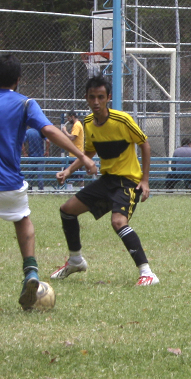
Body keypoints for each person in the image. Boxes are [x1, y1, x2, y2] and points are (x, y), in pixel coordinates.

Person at [0, 54, 94, 319]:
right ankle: (31, 272)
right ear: (18, 79)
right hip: (9, 185)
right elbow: (49, 131)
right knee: (22, 219)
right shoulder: (25, 103)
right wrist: (80, 156)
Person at [50, 74, 158, 286]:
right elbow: (89, 152)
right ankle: (75, 260)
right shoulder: (88, 122)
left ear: (108, 97)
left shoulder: (122, 120)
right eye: (92, 97)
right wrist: (69, 171)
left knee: (118, 222)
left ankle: (147, 273)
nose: (96, 102)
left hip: (128, 181)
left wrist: (145, 180)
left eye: (101, 97)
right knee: (67, 210)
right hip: (107, 180)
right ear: (87, 98)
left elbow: (144, 144)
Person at [61, 110, 85, 187]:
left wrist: (65, 131)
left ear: (72, 117)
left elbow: (72, 137)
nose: (68, 120)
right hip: (75, 154)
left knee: (71, 174)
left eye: (68, 118)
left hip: (75, 155)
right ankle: (69, 190)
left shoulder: (77, 125)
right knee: (71, 175)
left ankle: (78, 189)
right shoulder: (76, 124)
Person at [23, 126, 50, 190]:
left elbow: (22, 142)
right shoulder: (41, 131)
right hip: (40, 155)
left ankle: (29, 188)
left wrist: (24, 152)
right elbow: (48, 141)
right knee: (40, 174)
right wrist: (47, 151)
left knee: (30, 174)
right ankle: (41, 189)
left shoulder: (28, 132)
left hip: (31, 155)